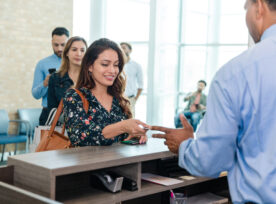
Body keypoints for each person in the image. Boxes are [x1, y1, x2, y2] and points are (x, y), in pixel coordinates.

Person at [152, 0, 276, 202]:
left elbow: (210, 162)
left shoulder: (237, 73)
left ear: (259, 7)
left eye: (246, 8)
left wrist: (185, 144)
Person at [63, 38, 150, 146]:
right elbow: (80, 138)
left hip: (122, 162)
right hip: (89, 162)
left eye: (116, 65)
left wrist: (136, 134)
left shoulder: (118, 98)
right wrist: (122, 126)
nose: (113, 70)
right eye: (105, 64)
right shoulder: (75, 96)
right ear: (90, 66)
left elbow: (123, 139)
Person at [32, 27, 69, 125]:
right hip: (48, 114)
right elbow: (35, 94)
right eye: (56, 45)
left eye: (63, 45)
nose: (59, 49)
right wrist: (45, 83)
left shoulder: (76, 63)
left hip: (70, 115)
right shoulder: (42, 64)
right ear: (51, 42)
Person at [47, 36, 87, 115]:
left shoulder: (92, 77)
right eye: (74, 49)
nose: (79, 54)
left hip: (89, 125)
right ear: (67, 53)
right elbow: (52, 110)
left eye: (82, 50)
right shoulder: (55, 78)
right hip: (62, 125)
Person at [120, 42, 143, 117]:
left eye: (124, 47)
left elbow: (140, 85)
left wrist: (135, 99)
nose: (122, 49)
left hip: (130, 98)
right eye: (121, 48)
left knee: (131, 120)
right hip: (118, 98)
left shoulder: (136, 66)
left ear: (130, 50)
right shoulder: (117, 64)